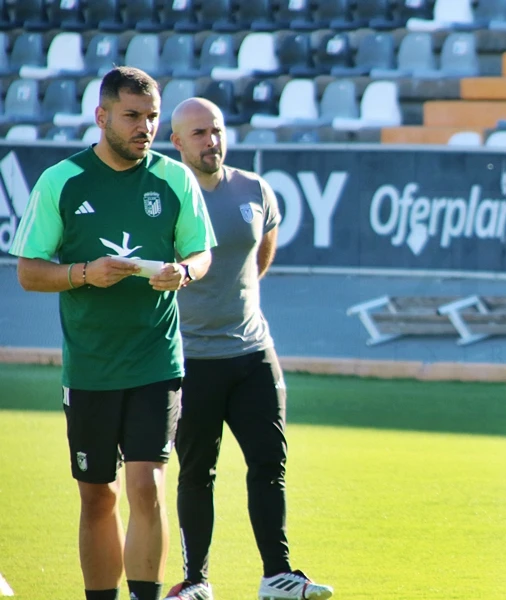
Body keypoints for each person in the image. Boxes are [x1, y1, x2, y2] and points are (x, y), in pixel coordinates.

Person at [9, 67, 216, 600]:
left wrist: (185, 272)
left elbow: (201, 252)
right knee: (97, 495)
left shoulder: (174, 179)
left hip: (156, 361)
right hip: (91, 366)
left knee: (146, 485)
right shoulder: (62, 181)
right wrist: (84, 274)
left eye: (151, 117)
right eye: (132, 116)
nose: (144, 127)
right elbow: (29, 271)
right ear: (102, 117)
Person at [163, 97, 333, 600]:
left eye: (216, 130)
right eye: (198, 133)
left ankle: (276, 576)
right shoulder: (165, 194)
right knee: (197, 472)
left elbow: (264, 243)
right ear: (177, 142)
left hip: (254, 353)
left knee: (269, 465)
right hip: (190, 359)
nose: (211, 140)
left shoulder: (255, 189)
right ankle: (196, 582)